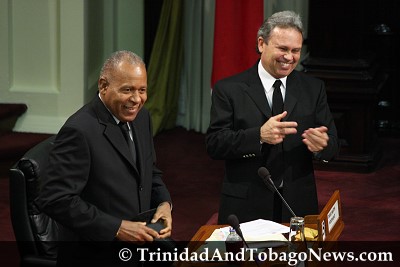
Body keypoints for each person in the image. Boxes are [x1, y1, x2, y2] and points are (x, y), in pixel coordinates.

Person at [37, 50, 172, 266]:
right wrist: (117, 227)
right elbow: (55, 199)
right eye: (127, 90)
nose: (136, 99)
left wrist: (164, 203)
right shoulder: (79, 131)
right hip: (98, 252)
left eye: (142, 90)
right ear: (103, 86)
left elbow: (149, 170)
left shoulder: (142, 117)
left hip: (141, 242)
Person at [206, 11, 339, 225]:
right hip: (246, 205)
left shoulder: (313, 88)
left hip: (297, 205)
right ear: (261, 44)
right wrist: (258, 136)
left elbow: (332, 145)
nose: (290, 57)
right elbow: (215, 144)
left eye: (296, 50)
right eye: (283, 49)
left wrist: (322, 146)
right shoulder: (229, 89)